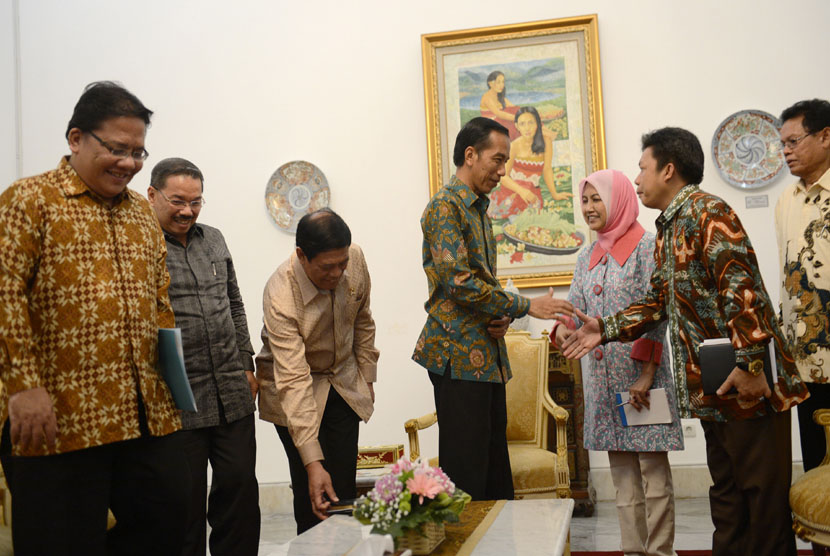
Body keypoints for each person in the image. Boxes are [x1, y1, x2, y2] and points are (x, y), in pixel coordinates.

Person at [561, 127, 809, 556]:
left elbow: (742, 290)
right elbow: (656, 302)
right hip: (713, 384)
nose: (637, 180)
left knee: (760, 502)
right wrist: (605, 327)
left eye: (643, 168)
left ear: (669, 170)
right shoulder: (671, 227)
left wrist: (751, 366)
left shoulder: (709, 213)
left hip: (746, 382)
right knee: (728, 497)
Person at [0, 81, 190, 555]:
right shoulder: (28, 201)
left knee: (165, 529)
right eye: (117, 149)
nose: (129, 162)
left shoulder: (142, 217)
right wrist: (23, 387)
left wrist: (171, 387)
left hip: (141, 416)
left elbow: (160, 298)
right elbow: (5, 297)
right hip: (59, 421)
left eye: (139, 152)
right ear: (76, 138)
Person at [412, 116, 574, 501]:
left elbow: (478, 286)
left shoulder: (478, 210)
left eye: (505, 163)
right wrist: (524, 306)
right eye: (497, 160)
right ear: (470, 155)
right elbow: (458, 282)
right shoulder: (445, 207)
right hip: (458, 357)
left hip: (486, 357)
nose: (503, 171)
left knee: (495, 473)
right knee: (468, 476)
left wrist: (499, 315)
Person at [553, 169, 683, 556]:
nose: (590, 208)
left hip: (640, 380)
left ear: (620, 199)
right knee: (623, 480)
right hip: (602, 382)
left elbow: (658, 313)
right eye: (586, 200)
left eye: (597, 199)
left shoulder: (647, 246)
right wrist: (562, 330)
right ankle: (632, 551)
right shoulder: (586, 255)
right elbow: (576, 313)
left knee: (654, 477)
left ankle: (660, 551)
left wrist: (646, 374)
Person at [147, 158, 260, 556]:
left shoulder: (213, 238)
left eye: (196, 202)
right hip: (177, 397)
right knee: (183, 505)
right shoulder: (140, 245)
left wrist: (247, 362)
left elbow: (234, 302)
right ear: (152, 195)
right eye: (178, 200)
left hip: (232, 389)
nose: (187, 210)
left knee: (240, 490)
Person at [255, 209, 379, 534]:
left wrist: (367, 377)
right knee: (313, 499)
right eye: (327, 267)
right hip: (293, 391)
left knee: (342, 496)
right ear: (301, 255)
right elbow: (293, 379)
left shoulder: (354, 258)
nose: (338, 273)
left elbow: (363, 319)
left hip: (342, 382)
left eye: (342, 264)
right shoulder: (281, 295)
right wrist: (312, 461)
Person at [775, 99, 830, 474]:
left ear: (825, 136)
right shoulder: (785, 200)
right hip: (804, 362)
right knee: (816, 467)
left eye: (794, 141)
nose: (786, 151)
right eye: (783, 144)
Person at [489, 105, 571, 220]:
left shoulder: (546, 142)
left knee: (535, 219)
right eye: (522, 124)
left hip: (533, 193)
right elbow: (503, 177)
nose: (527, 128)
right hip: (513, 191)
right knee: (516, 219)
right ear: (517, 126)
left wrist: (554, 194)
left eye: (530, 123)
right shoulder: (514, 146)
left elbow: (547, 169)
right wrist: (522, 191)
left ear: (537, 124)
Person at [480, 70, 520, 140]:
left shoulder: (500, 97)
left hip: (500, 120)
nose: (502, 85)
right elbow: (499, 114)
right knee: (514, 124)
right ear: (490, 83)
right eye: (498, 82)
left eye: (503, 82)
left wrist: (526, 114)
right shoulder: (487, 97)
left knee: (516, 109)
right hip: (492, 124)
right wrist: (518, 118)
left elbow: (513, 107)